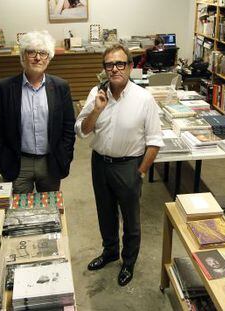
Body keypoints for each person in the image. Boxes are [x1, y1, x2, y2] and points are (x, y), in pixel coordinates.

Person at [75, 44, 164, 286]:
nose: (115, 69)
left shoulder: (143, 98)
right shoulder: (97, 93)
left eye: (120, 64)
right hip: (100, 164)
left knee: (131, 219)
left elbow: (155, 141)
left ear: (131, 66)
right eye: (109, 64)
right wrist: (97, 110)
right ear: (104, 68)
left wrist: (140, 172)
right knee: (105, 213)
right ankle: (110, 251)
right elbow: (81, 131)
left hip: (129, 166)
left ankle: (128, 261)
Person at [0, 31, 76, 194]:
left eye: (43, 53)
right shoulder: (4, 88)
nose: (38, 58)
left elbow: (68, 126)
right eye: (32, 52)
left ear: (49, 58)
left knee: (50, 211)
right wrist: (2, 156)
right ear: (23, 56)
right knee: (21, 213)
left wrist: (64, 155)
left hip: (50, 163)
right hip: (18, 163)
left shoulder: (60, 87)